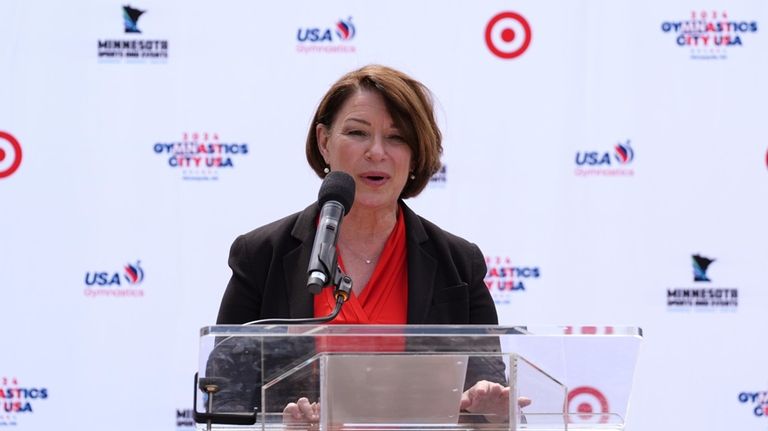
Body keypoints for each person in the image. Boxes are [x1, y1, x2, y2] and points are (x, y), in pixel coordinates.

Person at [213, 64, 517, 424]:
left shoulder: (458, 263)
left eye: (397, 137)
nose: (376, 152)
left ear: (416, 154)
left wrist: (496, 415)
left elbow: (488, 396)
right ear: (325, 142)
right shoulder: (262, 255)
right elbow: (224, 404)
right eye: (358, 133)